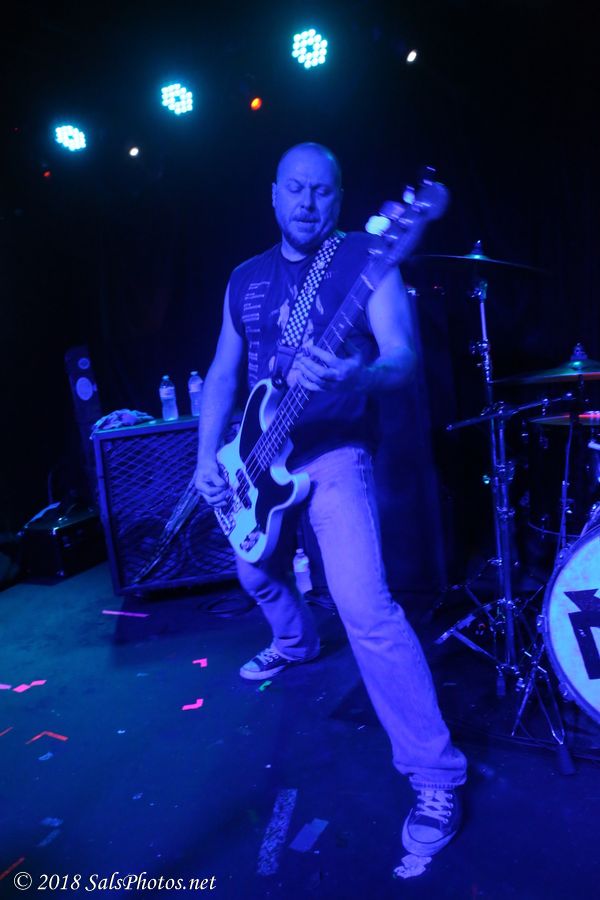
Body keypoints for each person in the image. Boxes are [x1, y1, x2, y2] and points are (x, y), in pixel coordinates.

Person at [194, 142, 467, 857]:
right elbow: (222, 374)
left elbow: (401, 357)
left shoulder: (367, 258)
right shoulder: (244, 278)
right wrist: (206, 456)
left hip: (334, 452)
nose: (308, 202)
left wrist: (357, 375)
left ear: (339, 198)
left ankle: (435, 773)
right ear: (274, 194)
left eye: (322, 190)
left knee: (364, 607)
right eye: (296, 188)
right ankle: (295, 642)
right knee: (255, 573)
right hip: (261, 453)